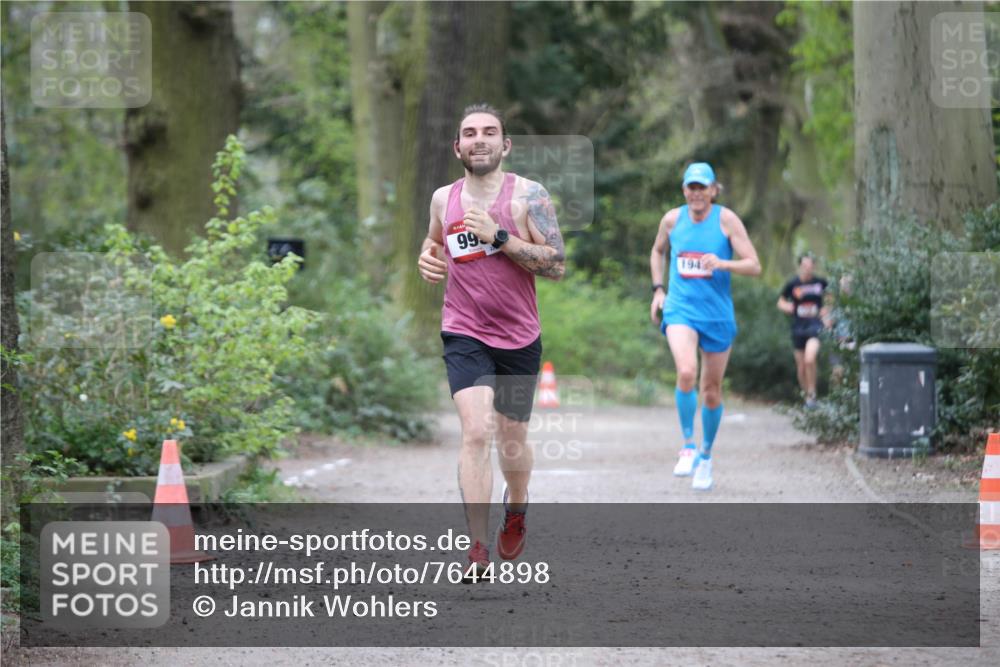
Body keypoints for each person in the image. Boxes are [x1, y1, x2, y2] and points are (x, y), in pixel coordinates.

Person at [416, 103, 565, 578]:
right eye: (469, 133)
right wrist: (427, 259)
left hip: (519, 336)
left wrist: (500, 236)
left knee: (512, 442)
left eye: (489, 132)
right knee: (476, 431)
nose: (479, 139)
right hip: (464, 329)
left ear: (505, 145)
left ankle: (516, 505)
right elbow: (434, 244)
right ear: (457, 146)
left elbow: (556, 264)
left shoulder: (529, 196)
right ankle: (477, 547)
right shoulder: (444, 198)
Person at [649, 163, 761, 491]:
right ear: (684, 190)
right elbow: (657, 251)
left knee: (711, 390)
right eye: (691, 187)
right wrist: (658, 290)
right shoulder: (672, 220)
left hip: (717, 315)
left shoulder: (726, 220)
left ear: (714, 190)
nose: (696, 193)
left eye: (703, 187)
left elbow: (754, 264)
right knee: (686, 372)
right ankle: (687, 444)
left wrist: (723, 263)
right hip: (681, 310)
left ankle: (706, 455)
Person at [777, 254, 829, 408]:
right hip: (798, 327)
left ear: (814, 266)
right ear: (800, 266)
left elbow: (832, 297)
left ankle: (813, 394)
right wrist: (787, 307)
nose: (808, 268)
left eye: (810, 265)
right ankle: (808, 398)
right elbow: (780, 301)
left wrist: (827, 309)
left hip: (815, 325)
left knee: (810, 359)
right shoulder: (793, 284)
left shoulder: (820, 283)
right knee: (801, 367)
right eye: (805, 265)